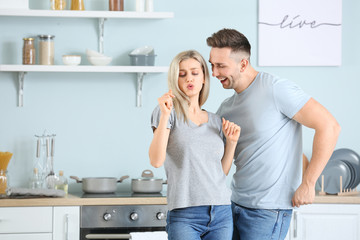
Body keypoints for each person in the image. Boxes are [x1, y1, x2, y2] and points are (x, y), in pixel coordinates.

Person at [206, 28, 341, 240]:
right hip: (234, 205)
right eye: (212, 65)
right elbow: (212, 158)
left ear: (243, 64)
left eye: (221, 66)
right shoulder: (226, 108)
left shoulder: (276, 89)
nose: (214, 73)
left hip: (268, 212)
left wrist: (308, 183)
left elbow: (329, 126)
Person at [149, 50, 241, 240]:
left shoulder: (216, 121)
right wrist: (165, 115)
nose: (189, 79)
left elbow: (220, 173)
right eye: (182, 74)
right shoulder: (167, 113)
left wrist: (231, 143)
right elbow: (156, 160)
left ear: (204, 78)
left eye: (194, 73)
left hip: (221, 212)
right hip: (184, 214)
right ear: (175, 80)